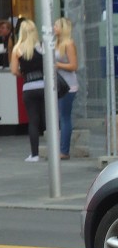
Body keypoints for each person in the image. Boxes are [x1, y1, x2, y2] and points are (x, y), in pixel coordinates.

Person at [10, 19, 47, 162]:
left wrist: (25, 75)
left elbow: (14, 71)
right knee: (48, 120)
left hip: (29, 87)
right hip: (44, 86)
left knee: (33, 121)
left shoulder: (17, 49)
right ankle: (55, 150)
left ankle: (34, 154)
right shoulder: (42, 47)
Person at [54, 16, 79, 158]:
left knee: (64, 116)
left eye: (56, 26)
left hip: (68, 85)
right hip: (58, 84)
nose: (54, 28)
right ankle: (62, 148)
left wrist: (57, 65)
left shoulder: (68, 44)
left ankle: (64, 150)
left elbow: (74, 65)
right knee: (60, 116)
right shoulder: (56, 43)